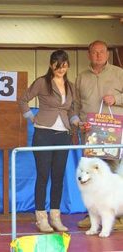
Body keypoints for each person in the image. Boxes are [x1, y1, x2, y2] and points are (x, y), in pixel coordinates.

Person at [18, 50, 75, 233]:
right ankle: (41, 218)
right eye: (57, 64)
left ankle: (56, 217)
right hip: (43, 133)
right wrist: (31, 117)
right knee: (43, 176)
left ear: (68, 65)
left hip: (63, 135)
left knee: (58, 177)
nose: (61, 68)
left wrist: (76, 121)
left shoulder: (71, 86)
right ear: (51, 65)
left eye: (64, 65)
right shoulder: (42, 82)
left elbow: (71, 110)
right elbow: (23, 100)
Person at [72, 40, 123, 229]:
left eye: (102, 52)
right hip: (91, 135)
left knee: (111, 175)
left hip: (113, 136)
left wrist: (116, 98)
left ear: (108, 54)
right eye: (94, 52)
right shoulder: (81, 77)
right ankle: (91, 216)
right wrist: (78, 125)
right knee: (89, 176)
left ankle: (115, 217)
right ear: (89, 55)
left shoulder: (119, 73)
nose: (98, 55)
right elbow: (76, 105)